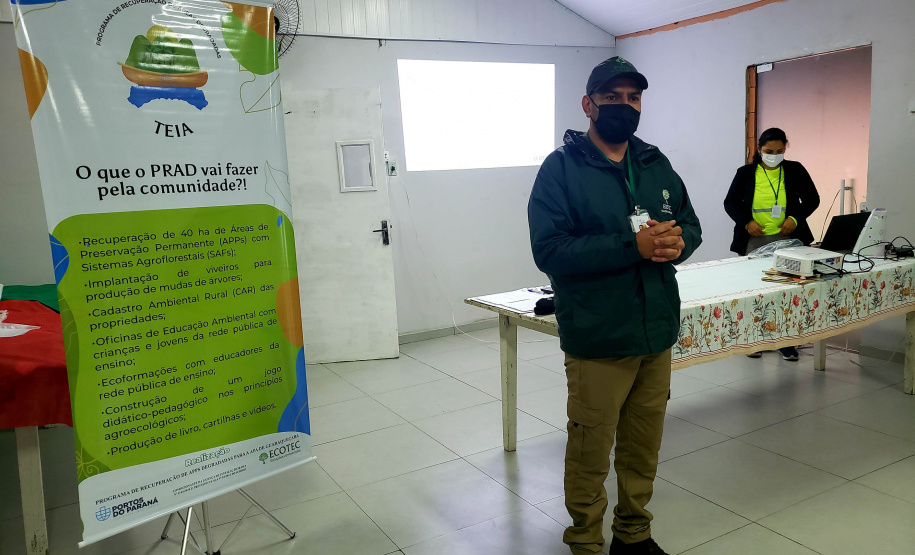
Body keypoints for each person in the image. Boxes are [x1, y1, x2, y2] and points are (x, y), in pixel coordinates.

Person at [528, 56, 702, 555]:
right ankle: (585, 541)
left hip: (655, 329)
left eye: (634, 98)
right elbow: (550, 251)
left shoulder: (654, 163)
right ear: (589, 105)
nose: (625, 107)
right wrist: (634, 247)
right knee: (591, 449)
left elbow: (689, 223)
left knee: (643, 442)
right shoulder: (560, 170)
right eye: (612, 98)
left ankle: (634, 534)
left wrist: (677, 244)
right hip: (601, 335)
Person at [723, 127, 820, 360]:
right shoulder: (746, 173)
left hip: (788, 238)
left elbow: (812, 199)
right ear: (759, 149)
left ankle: (786, 342)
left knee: (787, 291)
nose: (774, 155)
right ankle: (755, 341)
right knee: (755, 291)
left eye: (779, 150)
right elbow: (730, 203)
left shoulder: (795, 170)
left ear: (786, 147)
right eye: (768, 151)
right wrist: (746, 223)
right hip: (754, 239)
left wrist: (795, 219)